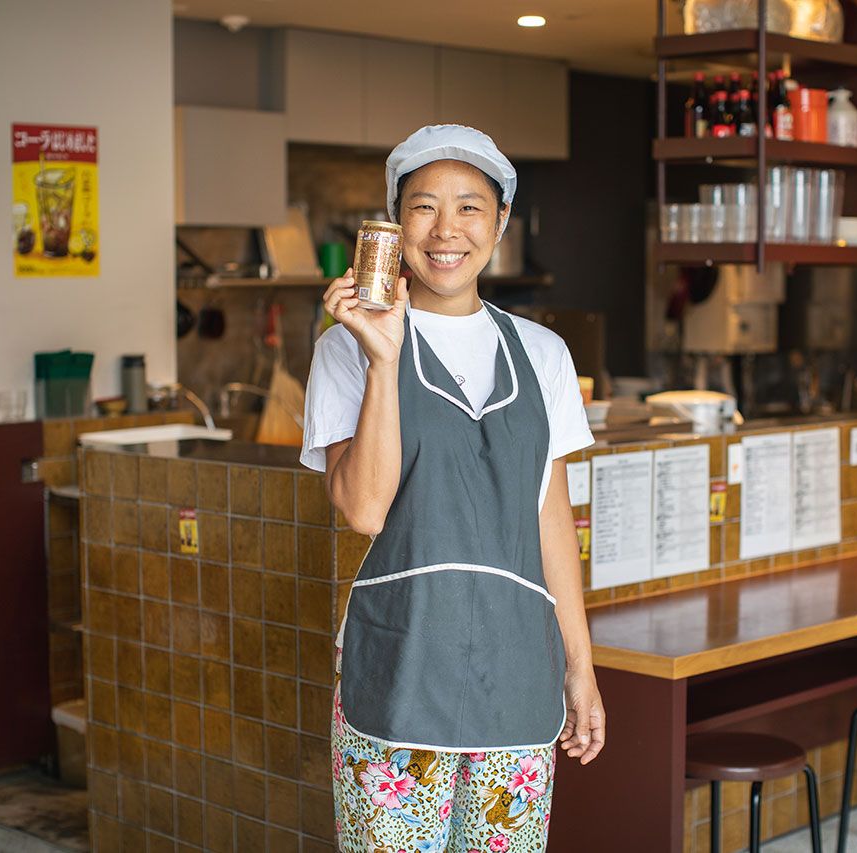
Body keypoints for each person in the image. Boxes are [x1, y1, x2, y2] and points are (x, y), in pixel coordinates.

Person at [301, 124, 605, 853]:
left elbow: (549, 517)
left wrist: (582, 665)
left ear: (500, 224)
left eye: (470, 207)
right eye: (423, 206)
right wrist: (383, 358)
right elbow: (365, 509)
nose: (446, 230)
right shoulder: (345, 349)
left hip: (517, 670)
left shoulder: (543, 353)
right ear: (394, 225)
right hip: (398, 669)